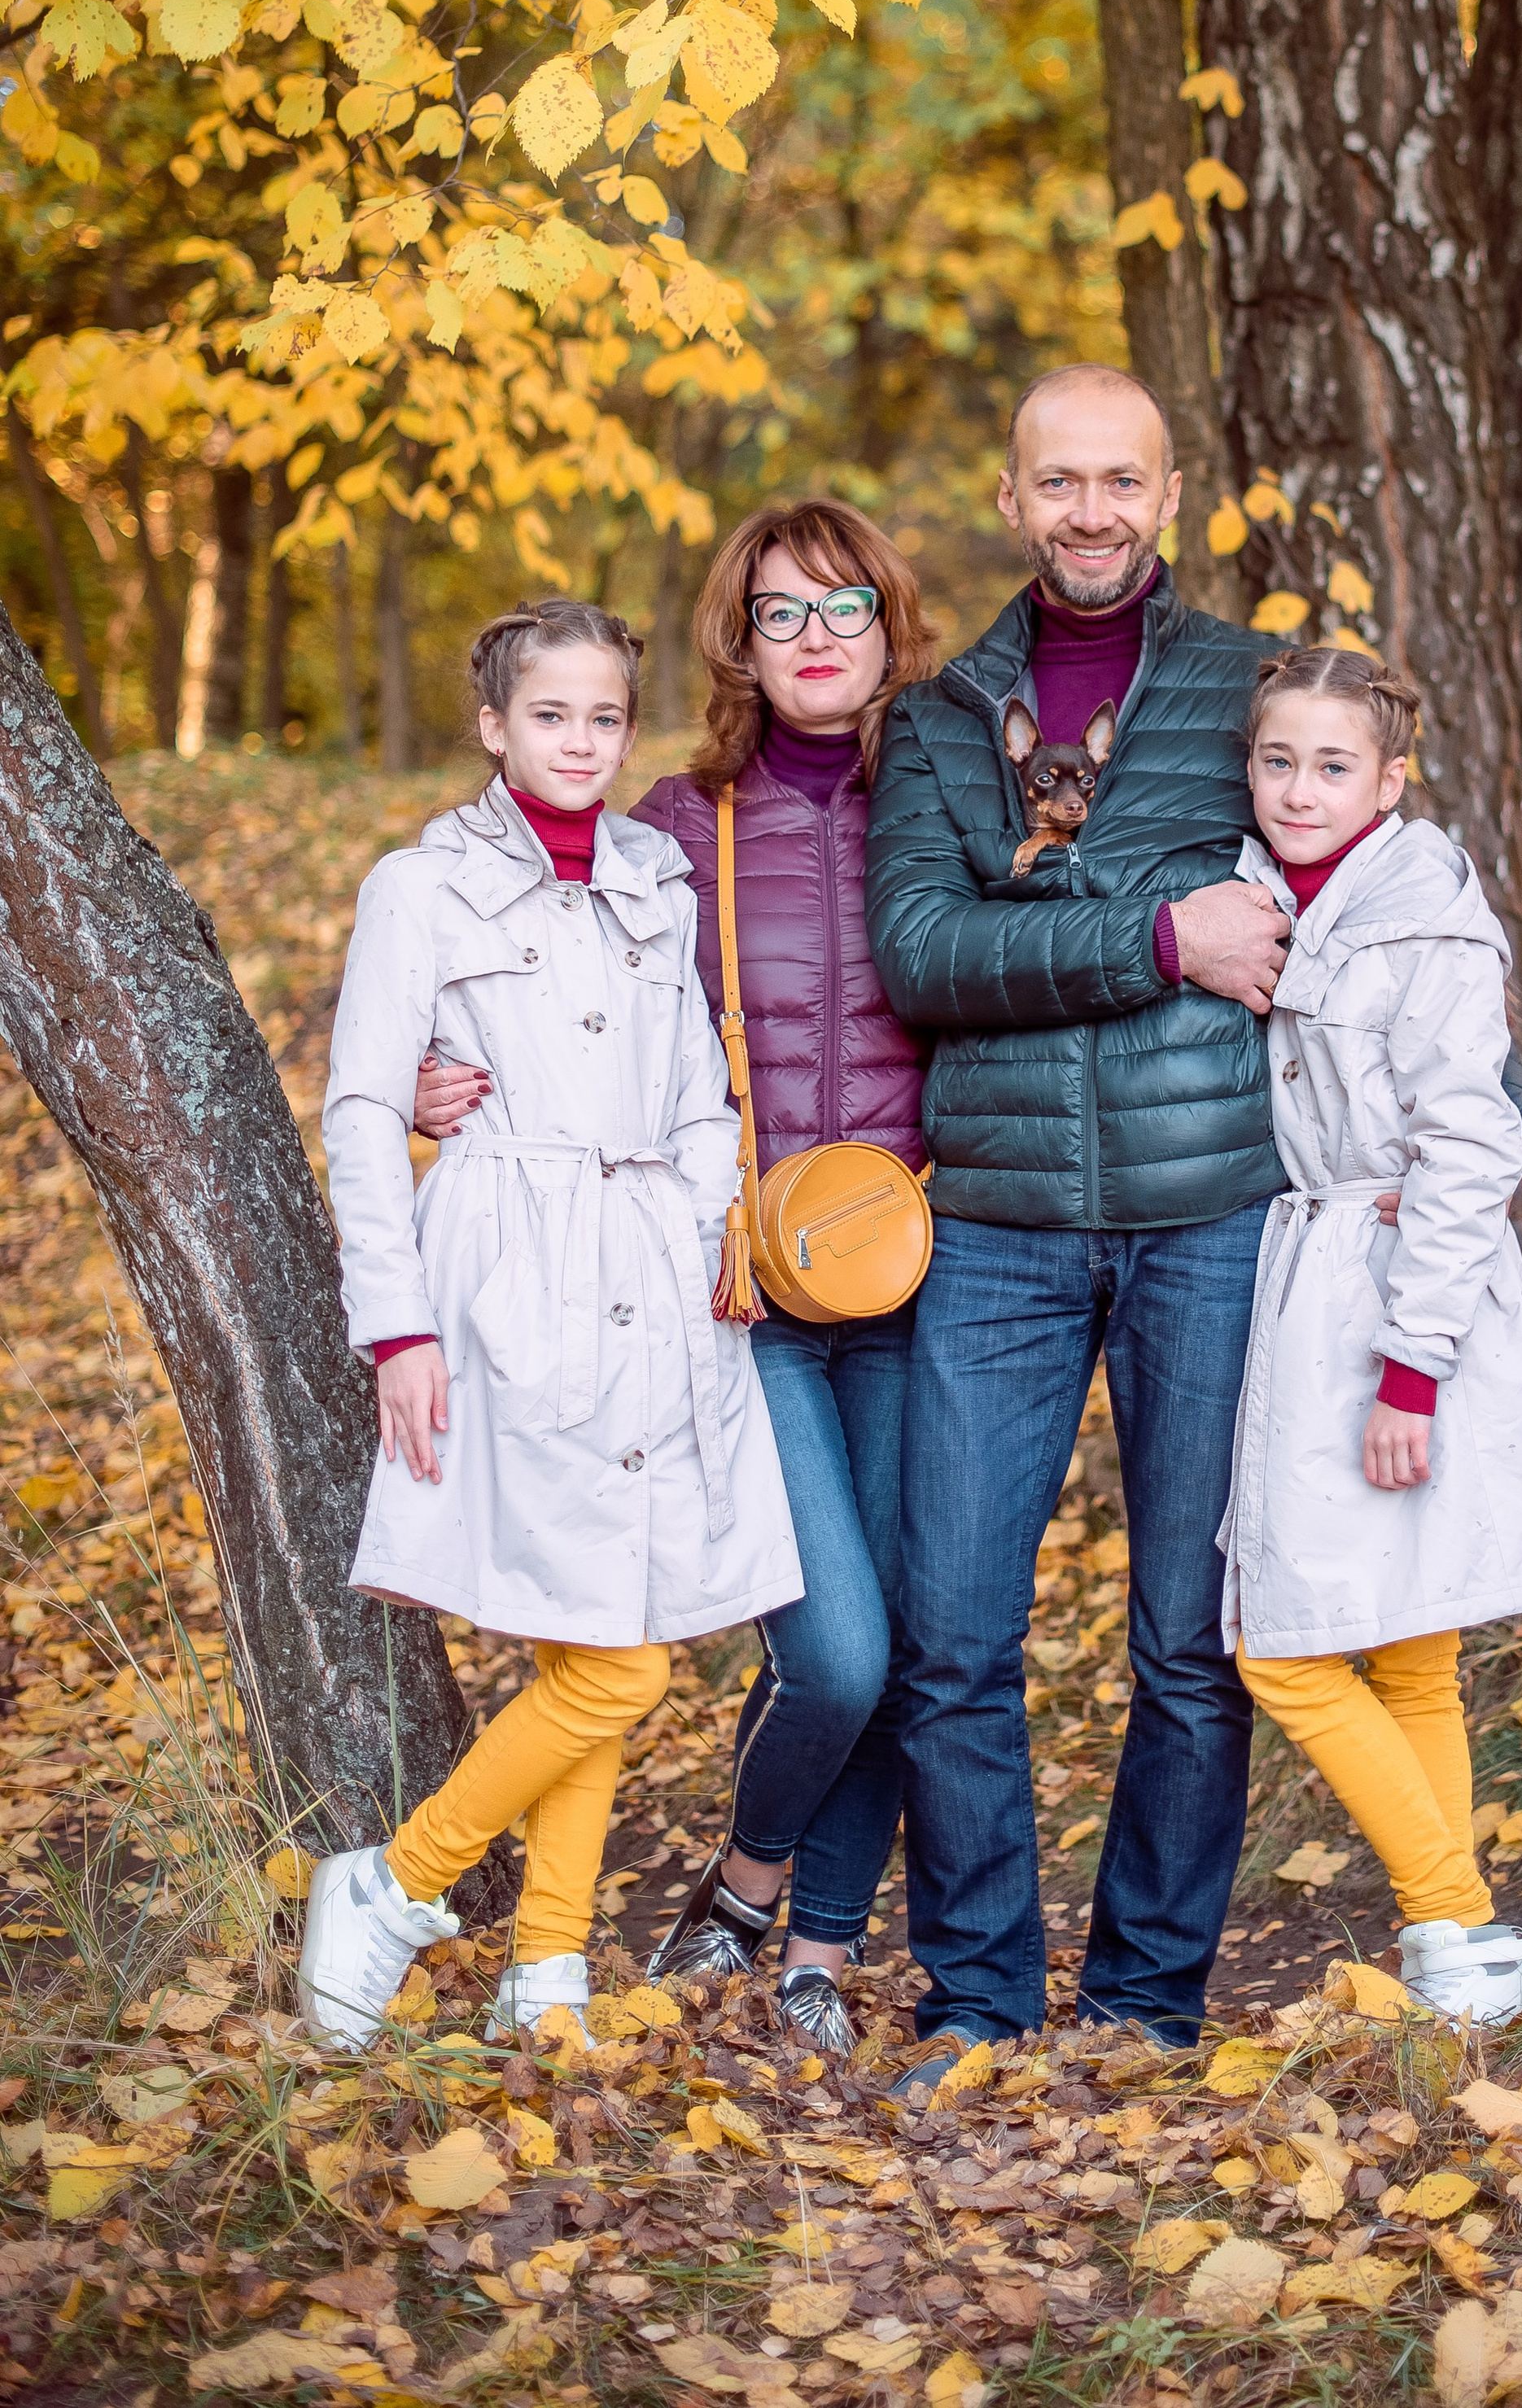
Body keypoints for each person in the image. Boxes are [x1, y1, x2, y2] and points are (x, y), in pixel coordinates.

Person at [413, 505, 934, 2060]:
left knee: (912, 1639)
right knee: (835, 1645)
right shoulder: (668, 826)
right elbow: (553, 976)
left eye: (848, 605)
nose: (819, 633)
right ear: (738, 641)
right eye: (782, 612)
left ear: (892, 624)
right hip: (738, 1281)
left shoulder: (950, 801)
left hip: (924, 1265)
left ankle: (817, 1948)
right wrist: (449, 1071)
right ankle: (742, 1880)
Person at [864, 362, 1300, 2080]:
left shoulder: (1242, 688)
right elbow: (920, 960)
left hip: (1207, 1217)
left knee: (1190, 1649)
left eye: (1121, 479)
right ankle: (975, 1995)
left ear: (1171, 492)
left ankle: (1142, 2004)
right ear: (1009, 497)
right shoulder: (938, 712)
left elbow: (1329, 890)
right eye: (1060, 481)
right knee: (951, 1634)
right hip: (994, 1226)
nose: (1091, 510)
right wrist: (1154, 941)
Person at [299, 599, 799, 2055]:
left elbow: (702, 1094)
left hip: (661, 1279)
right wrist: (395, 1329)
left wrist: (716, 1225)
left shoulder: (655, 874)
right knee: (616, 1661)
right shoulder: (424, 886)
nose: (580, 742)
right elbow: (360, 1107)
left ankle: (551, 1970)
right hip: (508, 1282)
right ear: (493, 725)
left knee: (606, 1631)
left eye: (603, 717)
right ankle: (396, 1887)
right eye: (550, 716)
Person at [1223, 646, 1522, 2024]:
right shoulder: (1264, 897)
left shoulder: (1422, 920)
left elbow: (1473, 1145)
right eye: (1278, 760)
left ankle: (1459, 1918)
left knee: (1286, 1650)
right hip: (1314, 1271)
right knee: (1411, 1644)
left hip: (1398, 1293)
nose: (1301, 789)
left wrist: (1411, 1371)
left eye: (1334, 765)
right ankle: (1452, 1954)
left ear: (1391, 780)